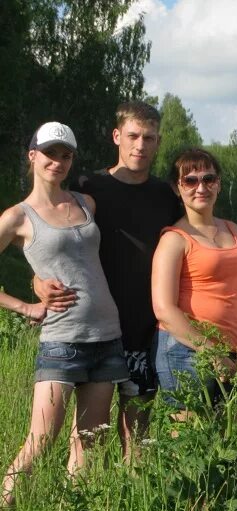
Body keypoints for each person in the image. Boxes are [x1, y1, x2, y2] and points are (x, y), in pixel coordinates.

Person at [35, 101, 181, 458]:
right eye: (133, 136)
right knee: (86, 438)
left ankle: (133, 509)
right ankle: (80, 509)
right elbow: (51, 241)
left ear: (158, 142)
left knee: (138, 434)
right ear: (117, 136)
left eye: (149, 138)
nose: (140, 145)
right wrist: (37, 282)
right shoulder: (89, 188)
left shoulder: (167, 196)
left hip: (147, 329)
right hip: (91, 329)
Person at [0, 122, 128, 506]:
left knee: (89, 443)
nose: (57, 161)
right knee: (40, 442)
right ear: (32, 156)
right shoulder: (17, 217)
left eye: (65, 155)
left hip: (107, 338)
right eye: (50, 153)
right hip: (61, 342)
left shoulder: (85, 203)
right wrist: (26, 305)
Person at [151, 148, 237, 413]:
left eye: (208, 179)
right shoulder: (174, 239)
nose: (201, 187)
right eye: (190, 180)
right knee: (190, 444)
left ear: (219, 184)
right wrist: (211, 353)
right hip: (185, 351)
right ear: (177, 188)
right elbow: (164, 309)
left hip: (232, 354)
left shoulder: (234, 231)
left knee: (226, 442)